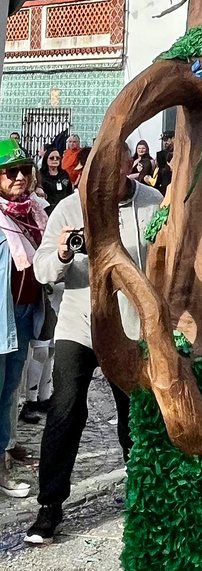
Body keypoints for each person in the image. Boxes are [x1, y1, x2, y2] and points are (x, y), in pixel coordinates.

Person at [25, 142, 162, 545]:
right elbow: (42, 270)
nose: (104, 177)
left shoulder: (151, 201)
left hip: (131, 328)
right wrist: (63, 253)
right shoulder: (69, 207)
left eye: (114, 167)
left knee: (135, 415)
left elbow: (168, 257)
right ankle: (50, 505)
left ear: (129, 166)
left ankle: (143, 496)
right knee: (65, 410)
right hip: (79, 324)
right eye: (96, 169)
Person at [0, 139, 47, 497]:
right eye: (10, 171)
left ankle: (6, 446)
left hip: (25, 312)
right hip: (2, 316)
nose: (19, 177)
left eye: (24, 170)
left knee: (10, 389)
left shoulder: (36, 212)